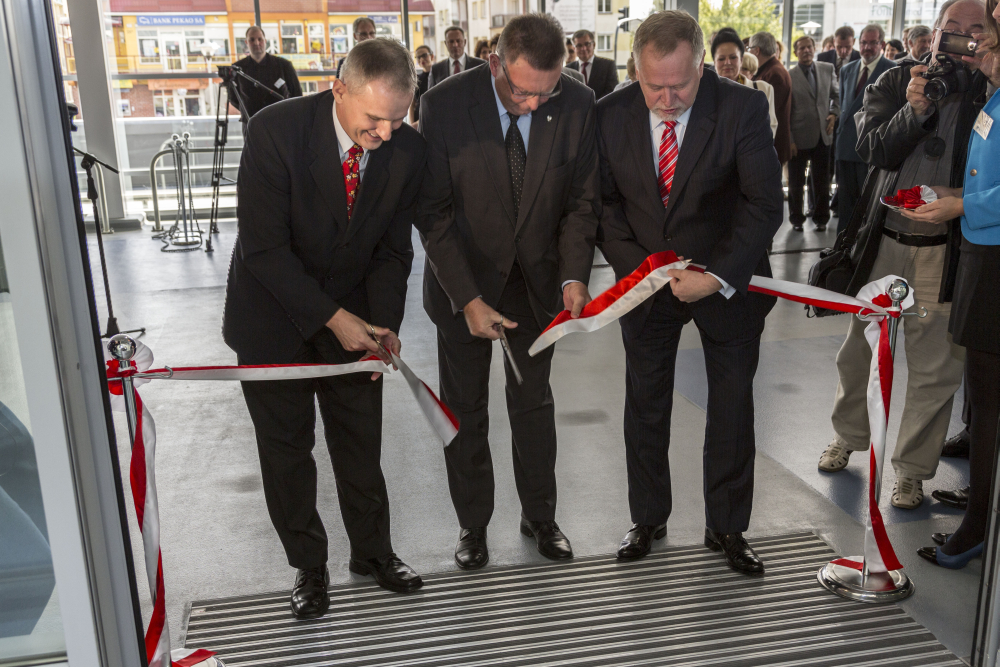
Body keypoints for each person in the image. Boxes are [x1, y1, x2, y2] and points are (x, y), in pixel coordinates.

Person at [223, 38, 427, 619]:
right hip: (271, 318)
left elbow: (393, 249)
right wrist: (335, 320)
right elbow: (264, 250)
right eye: (374, 119)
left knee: (360, 443)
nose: (385, 133)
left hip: (356, 315)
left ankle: (373, 552)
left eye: (398, 119)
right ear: (338, 89)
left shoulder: (407, 150)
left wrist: (382, 323)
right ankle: (309, 567)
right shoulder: (275, 132)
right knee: (287, 450)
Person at [597, 10, 783, 574]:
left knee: (732, 408)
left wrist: (717, 276)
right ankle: (647, 518)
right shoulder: (610, 113)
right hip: (647, 282)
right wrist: (644, 271)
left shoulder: (743, 107)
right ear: (636, 69)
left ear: (702, 65)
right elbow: (604, 206)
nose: (667, 99)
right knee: (645, 405)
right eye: (654, 85)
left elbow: (763, 204)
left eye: (679, 85)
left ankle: (727, 527)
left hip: (726, 282)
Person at [417, 13, 599, 571]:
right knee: (465, 408)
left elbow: (581, 202)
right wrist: (468, 299)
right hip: (463, 282)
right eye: (522, 92)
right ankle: (473, 525)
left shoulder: (577, 101)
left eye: (547, 92)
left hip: (536, 283)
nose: (535, 105)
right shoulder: (445, 104)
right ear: (495, 62)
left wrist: (573, 275)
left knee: (533, 404)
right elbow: (434, 214)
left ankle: (540, 517)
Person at [817, 0, 989, 509]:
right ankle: (847, 436)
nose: (962, 38)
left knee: (936, 368)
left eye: (976, 30)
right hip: (885, 241)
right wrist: (914, 109)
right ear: (933, 33)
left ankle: (912, 471)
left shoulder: (990, 93)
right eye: (952, 28)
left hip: (947, 250)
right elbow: (871, 148)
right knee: (860, 351)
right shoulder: (895, 80)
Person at [915, 0, 1000, 567]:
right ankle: (982, 506)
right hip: (981, 250)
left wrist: (960, 205)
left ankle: (977, 527)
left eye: (987, 38)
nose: (978, 48)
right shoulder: (991, 94)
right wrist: (955, 198)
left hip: (993, 259)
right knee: (983, 394)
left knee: (989, 403)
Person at [835, 24, 895, 224]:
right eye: (863, 43)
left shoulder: (892, 70)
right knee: (845, 203)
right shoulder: (847, 70)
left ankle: (862, 242)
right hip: (845, 146)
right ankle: (842, 242)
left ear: (882, 44)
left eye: (873, 43)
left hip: (872, 148)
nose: (867, 47)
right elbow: (844, 108)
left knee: (868, 206)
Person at [788, 35, 839, 232]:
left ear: (814, 48)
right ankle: (796, 219)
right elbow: (786, 111)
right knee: (796, 182)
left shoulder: (827, 69)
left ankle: (821, 218)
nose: (806, 50)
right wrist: (790, 139)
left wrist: (834, 113)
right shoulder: (789, 75)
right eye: (802, 48)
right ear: (796, 53)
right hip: (798, 138)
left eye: (809, 47)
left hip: (823, 135)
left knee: (822, 181)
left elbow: (837, 95)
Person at [231, 26, 302, 126]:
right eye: (252, 40)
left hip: (281, 122)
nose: (256, 43)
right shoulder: (237, 69)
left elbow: (297, 95)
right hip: (251, 124)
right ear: (246, 42)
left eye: (260, 39)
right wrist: (248, 110)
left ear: (265, 41)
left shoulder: (284, 66)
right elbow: (233, 97)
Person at [712, 30, 778, 137]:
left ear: (741, 60)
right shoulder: (704, 90)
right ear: (714, 62)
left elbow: (771, 126)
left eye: (733, 57)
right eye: (721, 58)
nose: (727, 62)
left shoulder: (763, 88)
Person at [749, 31, 792, 164]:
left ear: (757, 51)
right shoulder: (770, 69)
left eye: (749, 49)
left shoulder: (774, 74)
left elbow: (767, 111)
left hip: (773, 145)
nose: (748, 52)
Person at [567, 29, 619, 99]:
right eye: (579, 45)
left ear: (594, 45)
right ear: (574, 48)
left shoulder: (608, 66)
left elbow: (612, 92)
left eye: (587, 44)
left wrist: (593, 104)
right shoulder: (568, 69)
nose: (583, 48)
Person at [410, 44, 434, 125]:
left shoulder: (439, 76)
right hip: (418, 119)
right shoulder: (416, 78)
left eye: (424, 55)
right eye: (418, 57)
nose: (421, 59)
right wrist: (412, 124)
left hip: (433, 117)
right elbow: (412, 104)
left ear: (432, 56)